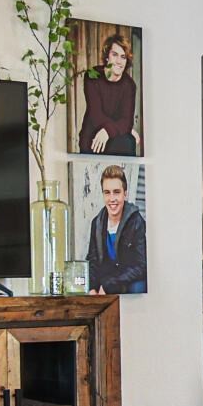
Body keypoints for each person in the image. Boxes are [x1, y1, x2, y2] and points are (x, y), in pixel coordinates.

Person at [85, 163, 147, 295]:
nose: (112, 199)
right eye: (107, 193)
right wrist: (92, 288)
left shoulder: (136, 221)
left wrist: (108, 285)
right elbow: (92, 260)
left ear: (125, 195)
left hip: (128, 280)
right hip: (107, 278)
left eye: (116, 192)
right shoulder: (97, 223)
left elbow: (140, 266)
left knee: (138, 288)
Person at [76, 32, 142, 155]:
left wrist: (111, 130)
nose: (119, 61)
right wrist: (123, 129)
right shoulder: (92, 75)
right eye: (115, 55)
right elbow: (96, 114)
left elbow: (127, 121)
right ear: (107, 57)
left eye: (123, 57)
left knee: (129, 141)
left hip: (114, 137)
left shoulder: (129, 85)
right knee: (127, 139)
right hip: (92, 137)